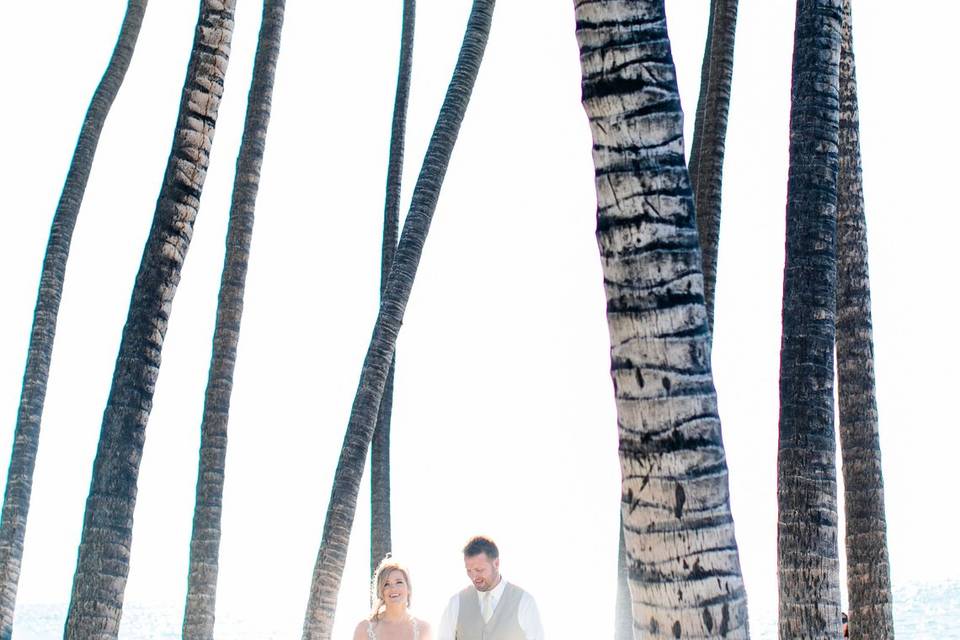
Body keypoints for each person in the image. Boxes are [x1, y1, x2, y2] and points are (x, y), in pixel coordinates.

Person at [437, 536, 544, 640]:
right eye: (469, 570)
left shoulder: (524, 602)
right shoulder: (456, 602)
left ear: (496, 563)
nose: (474, 577)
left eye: (479, 570)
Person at [353, 556, 433, 640]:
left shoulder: (424, 629)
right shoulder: (364, 629)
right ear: (381, 591)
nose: (393, 588)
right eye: (386, 584)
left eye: (399, 582)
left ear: (408, 588)